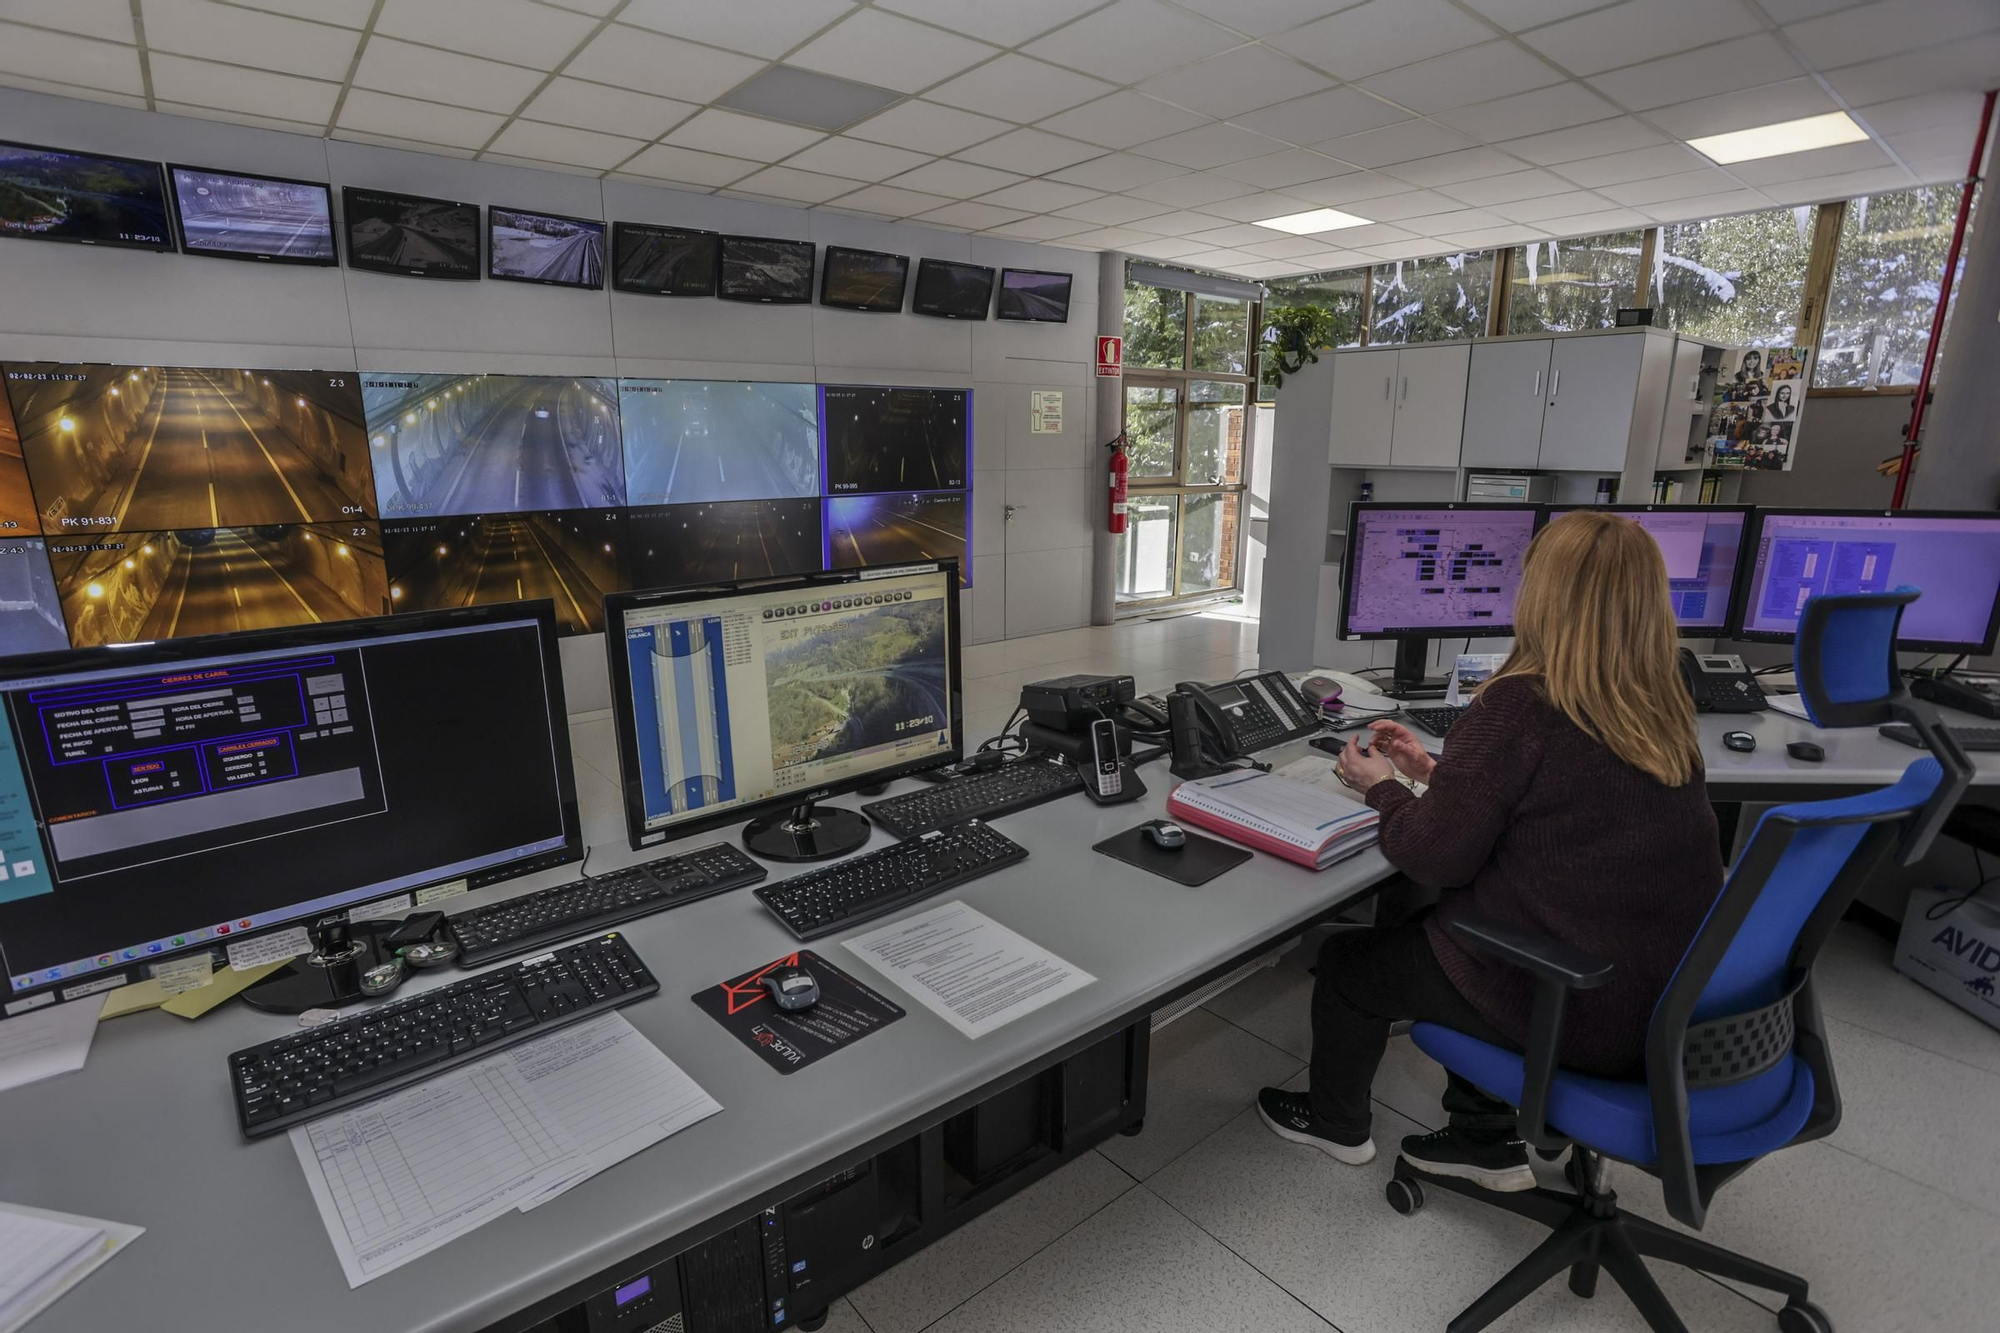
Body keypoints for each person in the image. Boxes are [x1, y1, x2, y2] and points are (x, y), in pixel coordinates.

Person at [1257, 512, 1724, 1190]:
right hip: (1660, 1000)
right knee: (1454, 923)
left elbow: (1433, 856)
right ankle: (1482, 1133)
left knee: (1351, 963)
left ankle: (1336, 1125)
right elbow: (1553, 810)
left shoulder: (1520, 703)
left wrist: (1381, 787)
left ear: (1543, 597)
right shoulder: (1658, 704)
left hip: (1581, 1007)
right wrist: (1429, 769)